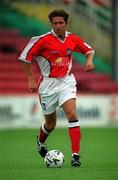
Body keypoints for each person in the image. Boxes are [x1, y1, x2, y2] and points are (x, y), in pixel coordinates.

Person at [18, 9, 95, 167]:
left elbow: (89, 50)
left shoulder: (73, 38)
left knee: (72, 114)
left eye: (61, 23)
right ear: (51, 24)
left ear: (66, 24)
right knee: (50, 125)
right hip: (47, 85)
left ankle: (75, 155)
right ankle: (40, 141)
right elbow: (24, 58)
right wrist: (31, 80)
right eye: (55, 23)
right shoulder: (41, 40)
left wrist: (89, 60)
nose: (58, 26)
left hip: (66, 82)